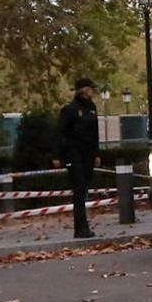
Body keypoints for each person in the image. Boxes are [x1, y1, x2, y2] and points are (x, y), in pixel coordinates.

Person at [54, 78, 101, 238]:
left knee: (84, 187)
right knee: (79, 188)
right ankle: (80, 228)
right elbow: (60, 133)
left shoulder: (92, 109)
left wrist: (97, 153)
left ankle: (83, 225)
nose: (92, 92)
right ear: (83, 90)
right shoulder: (70, 110)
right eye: (90, 88)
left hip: (88, 153)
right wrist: (58, 155)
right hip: (74, 153)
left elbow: (95, 133)